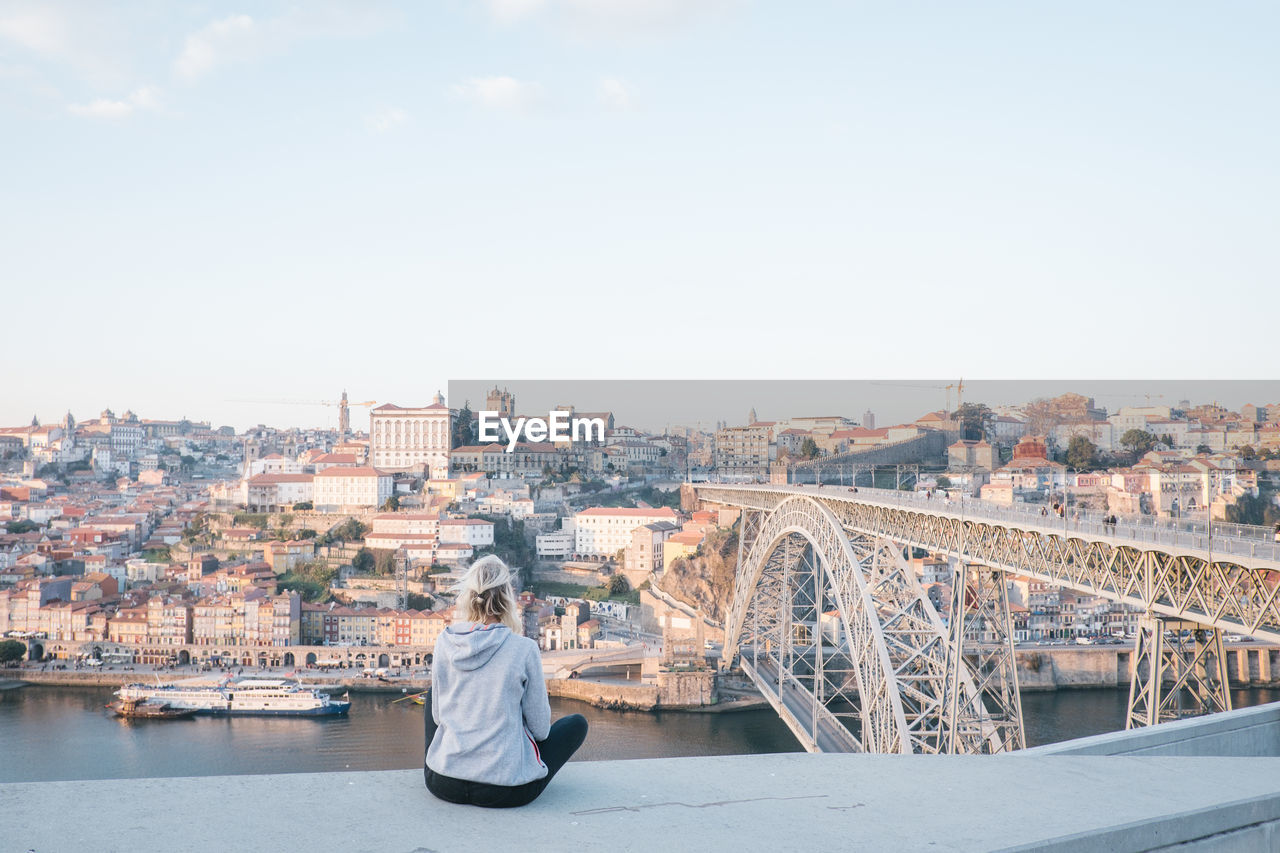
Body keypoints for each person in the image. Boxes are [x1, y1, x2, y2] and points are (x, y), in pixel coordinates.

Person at [424, 555, 588, 808]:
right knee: (576, 724)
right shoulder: (523, 649)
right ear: (507, 599)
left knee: (434, 693)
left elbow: (437, 717)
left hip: (443, 782)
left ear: (468, 596)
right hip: (505, 791)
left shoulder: (445, 642)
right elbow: (541, 730)